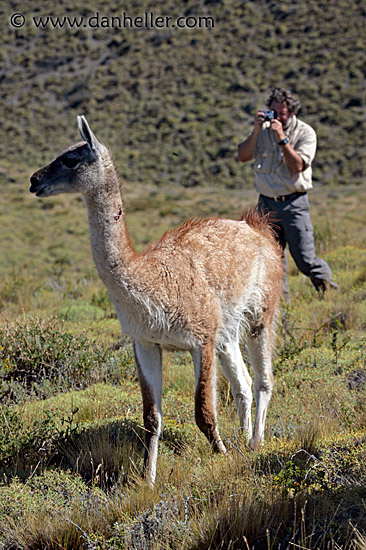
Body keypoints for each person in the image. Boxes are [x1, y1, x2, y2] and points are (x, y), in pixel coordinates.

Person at [237, 86, 337, 301]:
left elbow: (298, 165)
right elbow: (242, 156)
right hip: (266, 204)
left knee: (305, 259)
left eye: (282, 114)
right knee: (272, 260)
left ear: (292, 112)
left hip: (294, 204)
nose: (278, 118)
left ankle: (330, 294)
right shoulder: (261, 132)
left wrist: (282, 138)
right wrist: (255, 131)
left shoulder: (305, 132)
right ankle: (281, 309)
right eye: (274, 113)